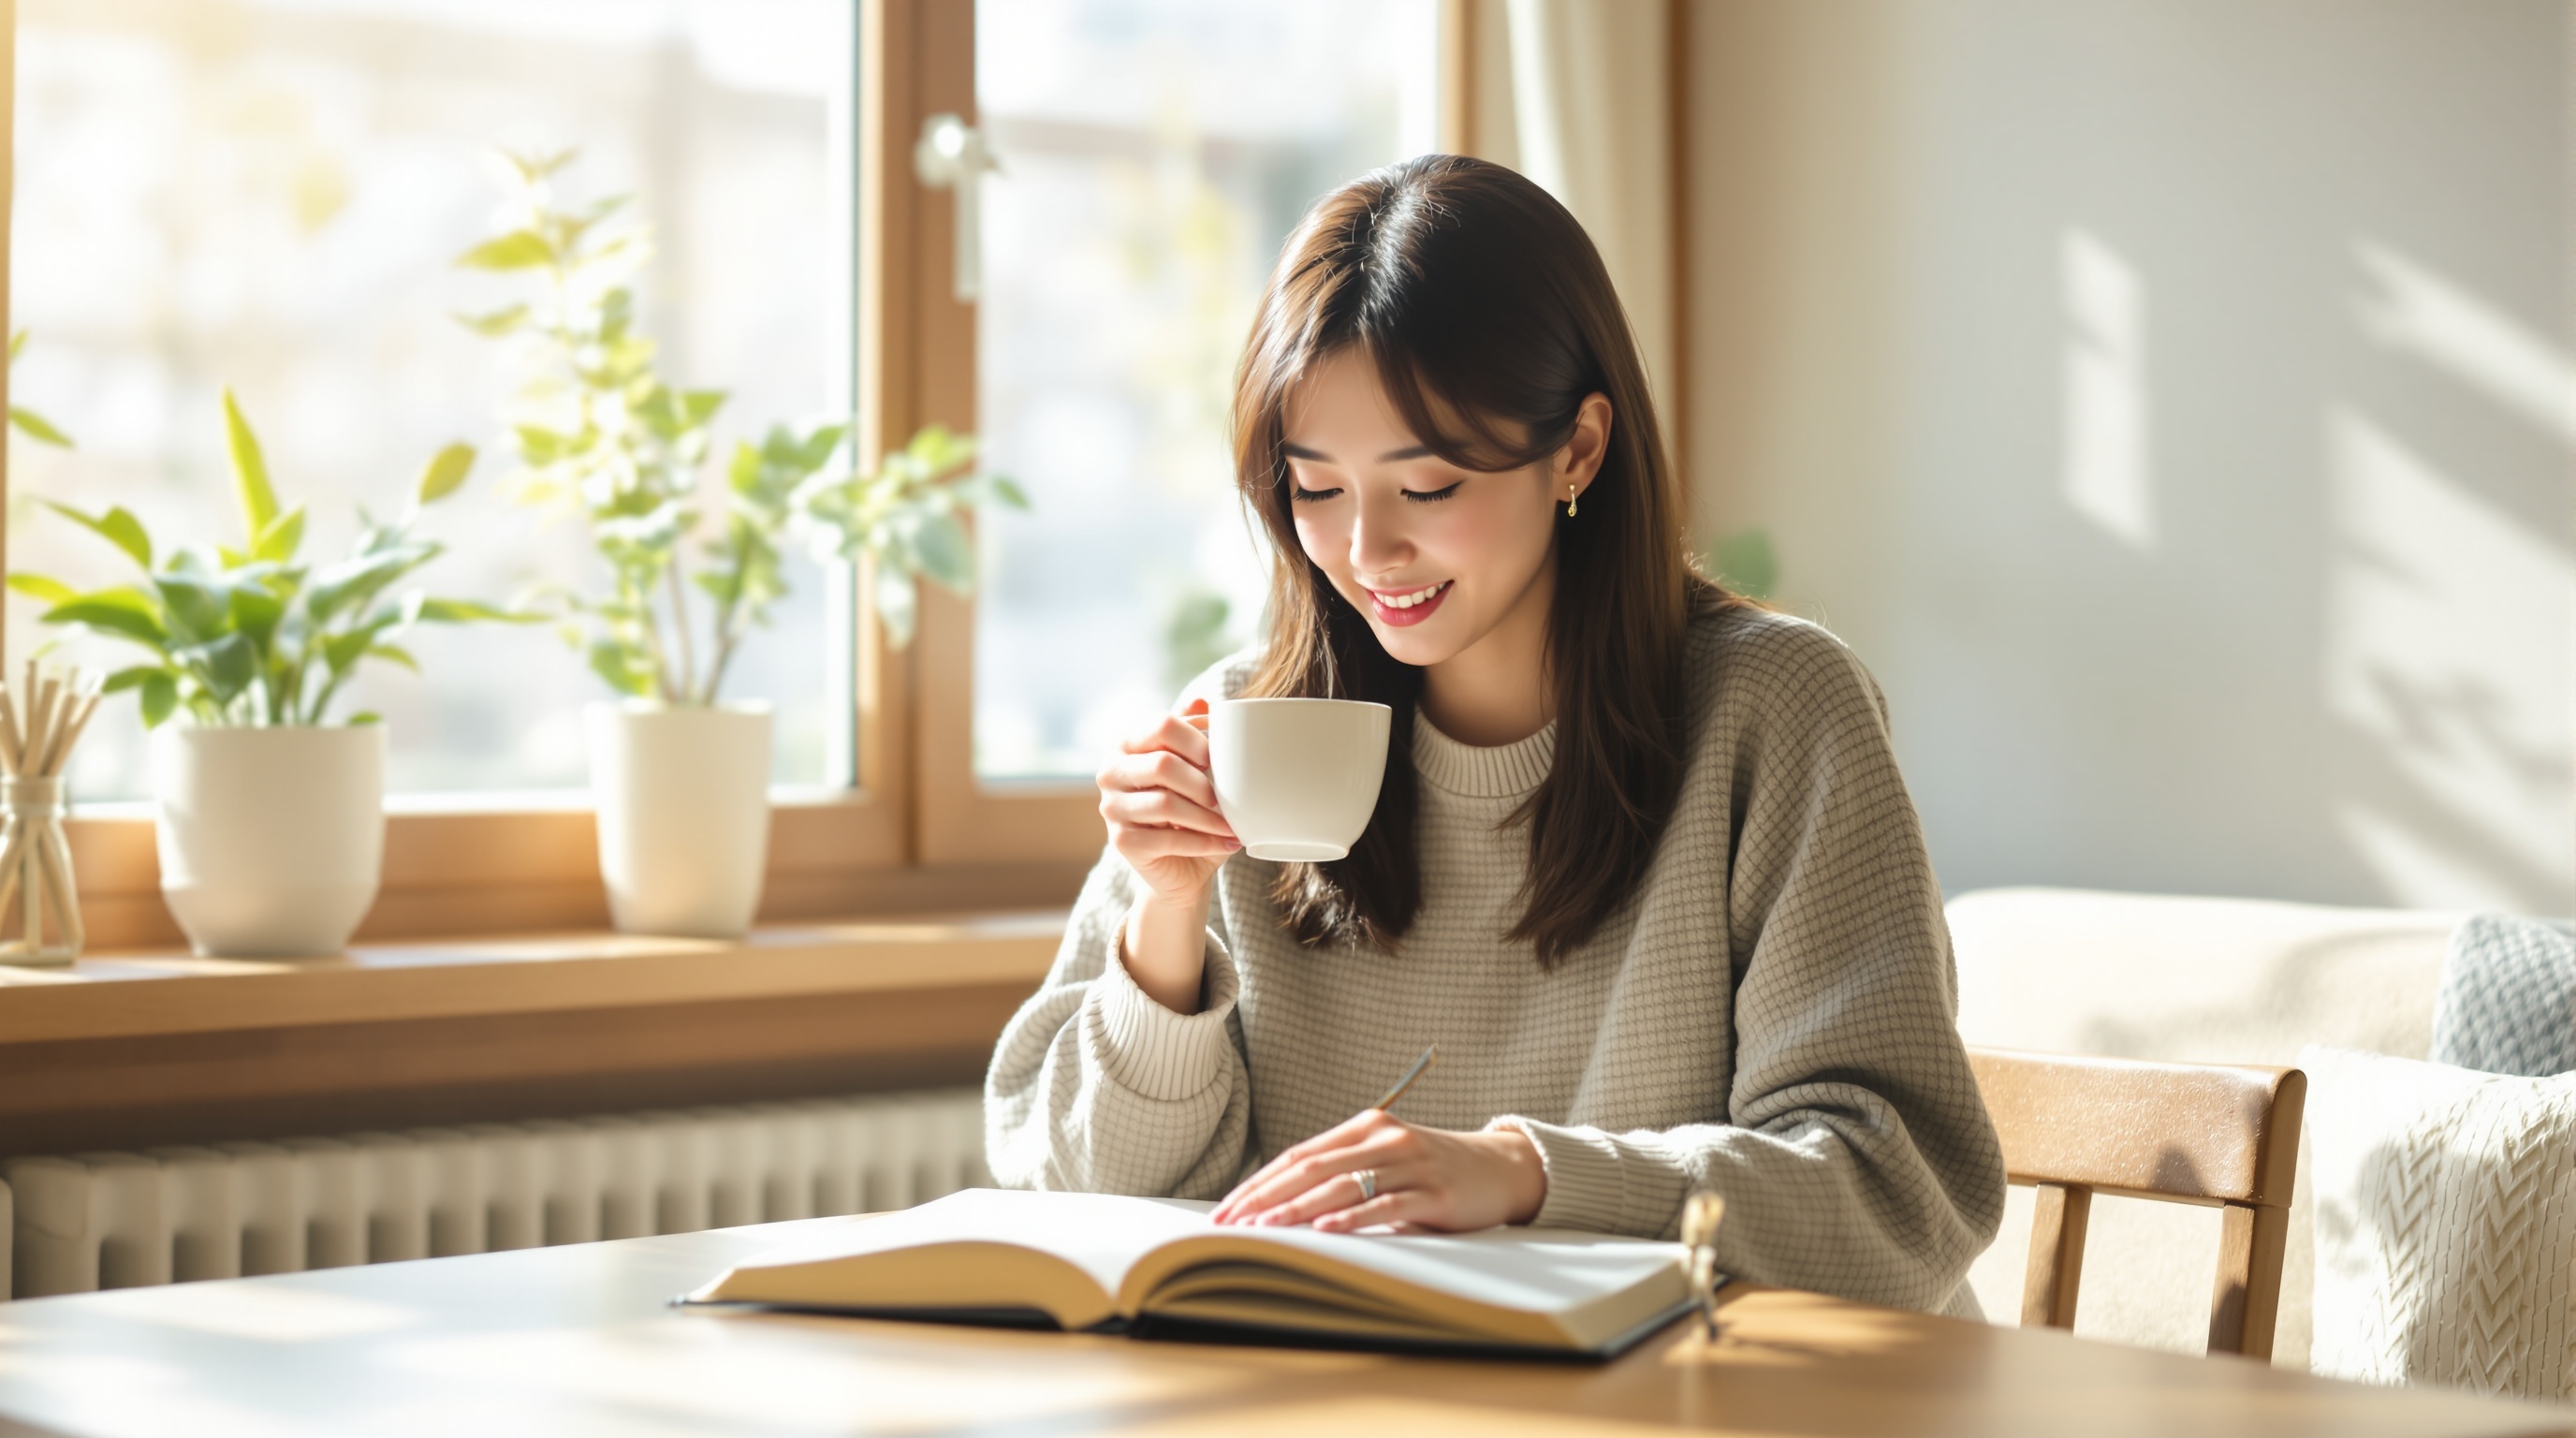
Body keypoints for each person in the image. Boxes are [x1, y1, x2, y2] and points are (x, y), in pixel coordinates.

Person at [985, 154, 2004, 1314]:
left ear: (1576, 448)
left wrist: (1524, 1174)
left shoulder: (1772, 710)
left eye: (1424, 489)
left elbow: (1897, 1195)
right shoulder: (1253, 730)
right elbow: (1073, 1187)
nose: (1367, 552)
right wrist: (1165, 917)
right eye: (1315, 491)